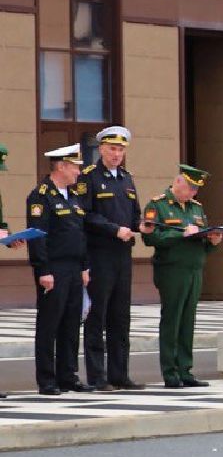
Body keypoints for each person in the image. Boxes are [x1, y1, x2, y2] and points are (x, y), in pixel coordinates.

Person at [141, 165, 219, 388]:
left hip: (194, 268)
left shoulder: (196, 208)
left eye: (196, 189)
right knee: (172, 319)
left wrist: (211, 241)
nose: (194, 193)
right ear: (178, 183)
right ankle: (170, 371)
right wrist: (180, 234)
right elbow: (151, 237)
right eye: (191, 188)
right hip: (172, 269)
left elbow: (202, 244)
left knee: (188, 320)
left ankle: (185, 370)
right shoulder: (158, 205)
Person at [25, 144, 92, 396]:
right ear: (61, 166)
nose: (79, 172)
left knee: (71, 324)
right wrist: (42, 270)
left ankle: (68, 375)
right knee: (49, 324)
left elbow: (79, 234)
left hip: (75, 268)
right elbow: (37, 237)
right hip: (53, 268)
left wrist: (85, 266)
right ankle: (47, 379)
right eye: (75, 166)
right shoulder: (41, 196)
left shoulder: (73, 196)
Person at [82, 126, 144, 390]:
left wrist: (142, 225)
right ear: (101, 150)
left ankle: (120, 374)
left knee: (120, 316)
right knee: (98, 316)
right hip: (100, 255)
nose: (117, 154)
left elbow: (134, 213)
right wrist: (114, 229)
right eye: (112, 149)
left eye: (120, 150)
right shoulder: (90, 178)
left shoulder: (127, 179)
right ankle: (97, 376)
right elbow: (87, 215)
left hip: (123, 255)